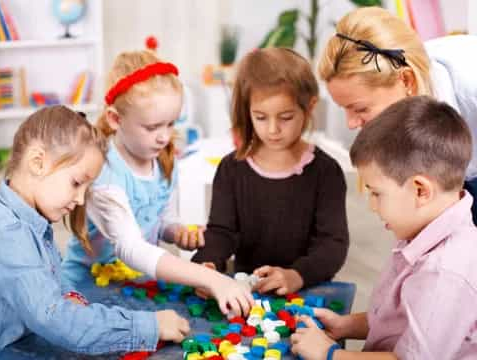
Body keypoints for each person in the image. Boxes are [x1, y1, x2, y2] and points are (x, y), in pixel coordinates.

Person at [61, 49, 253, 316]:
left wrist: (177, 233)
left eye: (171, 124)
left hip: (137, 284)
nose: (164, 137)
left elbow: (160, 220)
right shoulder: (102, 172)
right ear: (115, 119)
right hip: (88, 289)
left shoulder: (163, 161)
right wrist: (211, 278)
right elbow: (131, 247)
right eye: (152, 128)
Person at [291, 96, 477, 360]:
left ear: (420, 190)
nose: (373, 206)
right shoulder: (422, 229)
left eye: (377, 193)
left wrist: (330, 354)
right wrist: (347, 325)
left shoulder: (443, 273)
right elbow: (401, 319)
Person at [0, 106, 191, 354]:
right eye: (76, 183)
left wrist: (75, 301)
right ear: (38, 162)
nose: (80, 200)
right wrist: (149, 326)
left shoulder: (33, 222)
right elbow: (56, 319)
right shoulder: (8, 234)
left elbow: (57, 284)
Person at [192, 47, 349, 295]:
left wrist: (297, 275)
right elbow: (221, 232)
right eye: (261, 117)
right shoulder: (231, 169)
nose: (273, 129)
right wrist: (207, 265)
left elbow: (332, 245)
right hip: (248, 291)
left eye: (285, 117)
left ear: (309, 107)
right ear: (247, 111)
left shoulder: (326, 172)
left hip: (306, 290)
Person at [318, 6, 477, 223]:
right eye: (344, 108)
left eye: (360, 109)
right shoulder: (406, 101)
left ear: (406, 81)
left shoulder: (470, 84)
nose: (351, 123)